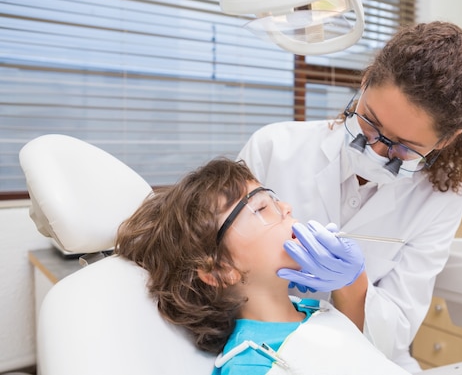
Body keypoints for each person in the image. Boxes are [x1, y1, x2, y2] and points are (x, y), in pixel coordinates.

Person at [237, 21, 462, 373]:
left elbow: (396, 329)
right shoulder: (273, 148)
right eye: (369, 123)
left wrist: (353, 285)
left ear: (445, 141)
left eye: (402, 147)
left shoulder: (441, 196)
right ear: (365, 80)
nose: (373, 149)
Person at [114, 158, 411, 375]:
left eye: (273, 199)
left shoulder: (310, 309)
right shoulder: (250, 363)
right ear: (219, 269)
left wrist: (353, 279)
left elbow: (358, 354)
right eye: (260, 208)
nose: (286, 208)